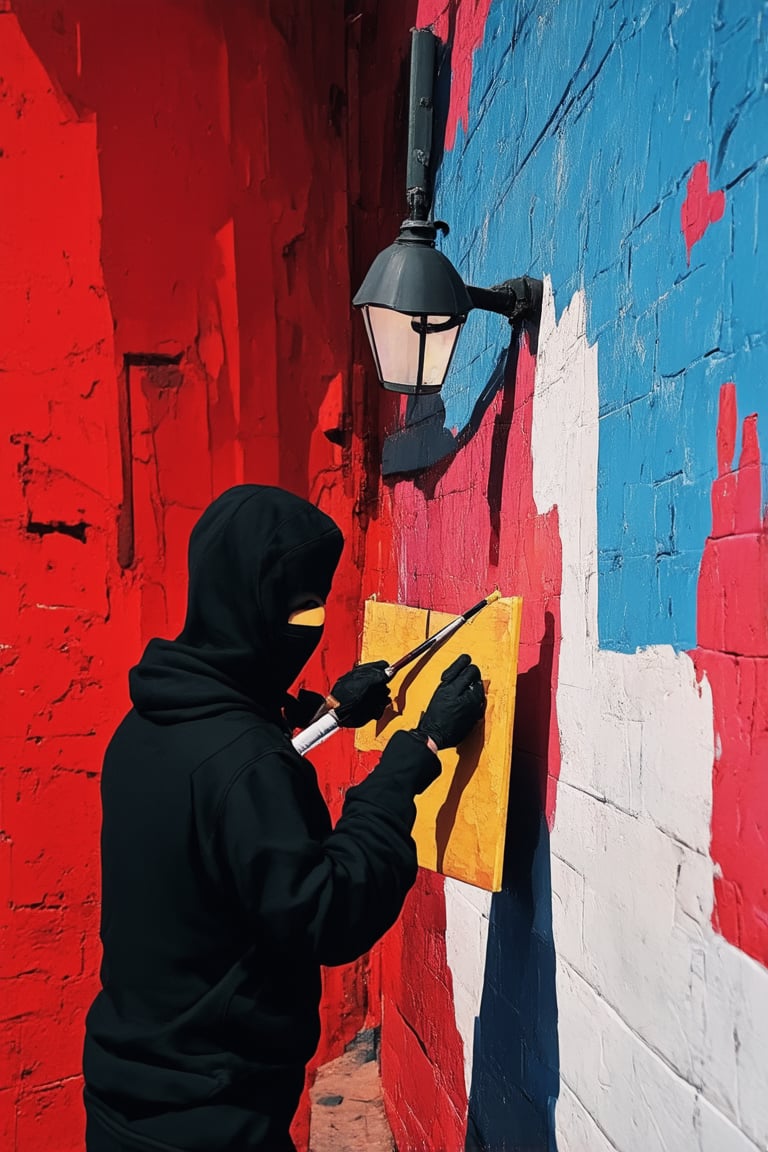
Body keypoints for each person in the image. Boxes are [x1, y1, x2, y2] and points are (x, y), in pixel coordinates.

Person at [83, 484, 486, 1152]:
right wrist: (415, 754)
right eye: (301, 605)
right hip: (210, 1123)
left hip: (132, 1105)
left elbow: (225, 799)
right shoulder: (245, 766)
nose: (316, 620)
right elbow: (328, 910)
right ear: (253, 605)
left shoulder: (149, 725)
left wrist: (327, 711)